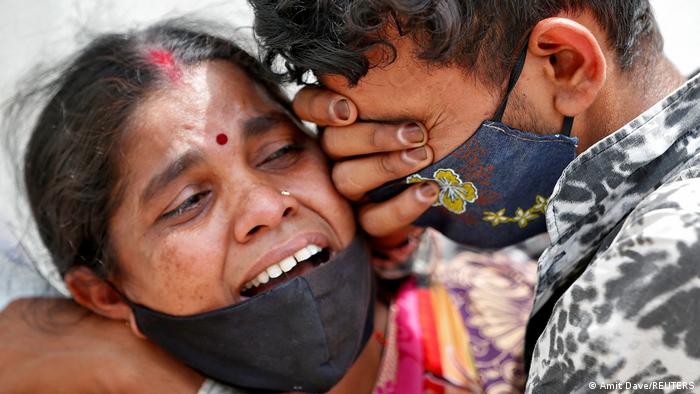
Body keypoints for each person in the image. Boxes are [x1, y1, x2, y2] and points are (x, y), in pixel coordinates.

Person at [0, 21, 536, 393]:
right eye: (188, 202)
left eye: (281, 152)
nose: (266, 207)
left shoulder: (523, 319)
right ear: (105, 296)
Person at [248, 0, 700, 392]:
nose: (384, 171)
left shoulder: (638, 288)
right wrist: (395, 250)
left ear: (566, 63)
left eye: (409, 137)